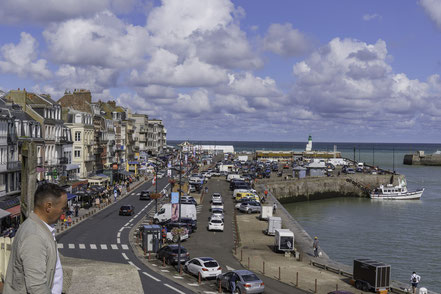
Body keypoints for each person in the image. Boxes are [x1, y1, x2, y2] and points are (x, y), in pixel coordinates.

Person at [4, 182, 67, 294]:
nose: (64, 213)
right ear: (48, 207)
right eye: (63, 208)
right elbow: (36, 287)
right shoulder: (34, 236)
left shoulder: (40, 228)